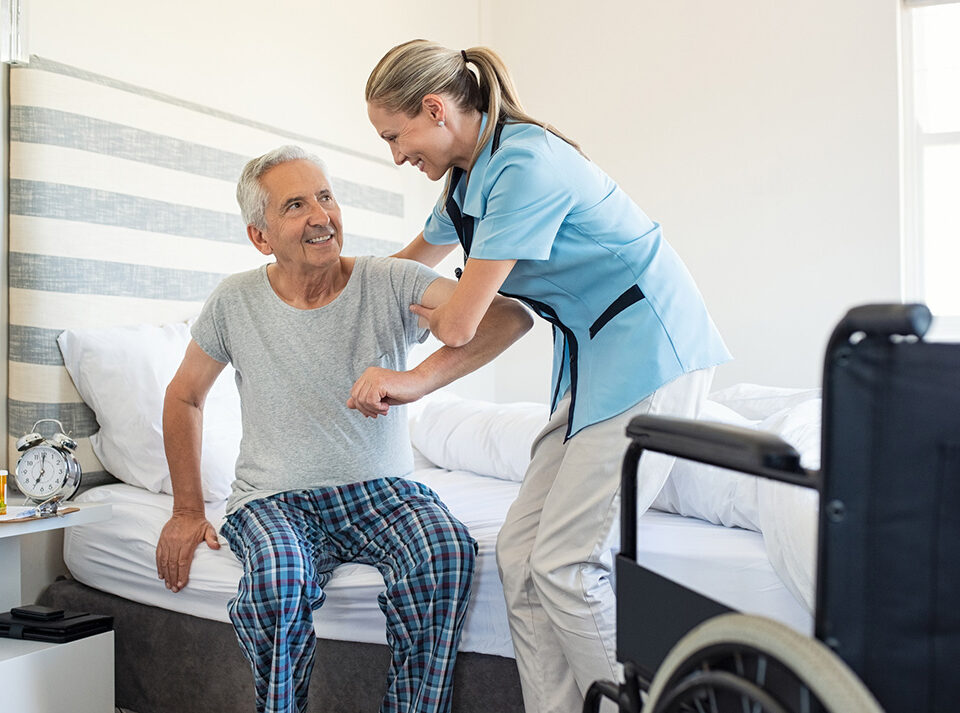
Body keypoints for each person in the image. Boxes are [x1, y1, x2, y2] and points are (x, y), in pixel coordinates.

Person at [366, 41, 732, 712]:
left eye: (395, 136)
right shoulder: (467, 179)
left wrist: (407, 374)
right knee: (518, 556)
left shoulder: (523, 165)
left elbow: (460, 321)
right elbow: (403, 268)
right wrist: (330, 293)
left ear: (435, 109)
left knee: (566, 563)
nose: (395, 155)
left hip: (651, 351)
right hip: (594, 363)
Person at [155, 145, 533, 713]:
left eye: (326, 197)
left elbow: (508, 317)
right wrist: (187, 509)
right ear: (261, 237)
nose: (321, 216)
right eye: (296, 205)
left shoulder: (389, 281)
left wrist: (415, 379)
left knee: (447, 549)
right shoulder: (234, 301)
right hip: (273, 500)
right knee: (280, 579)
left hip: (382, 493)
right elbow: (184, 396)